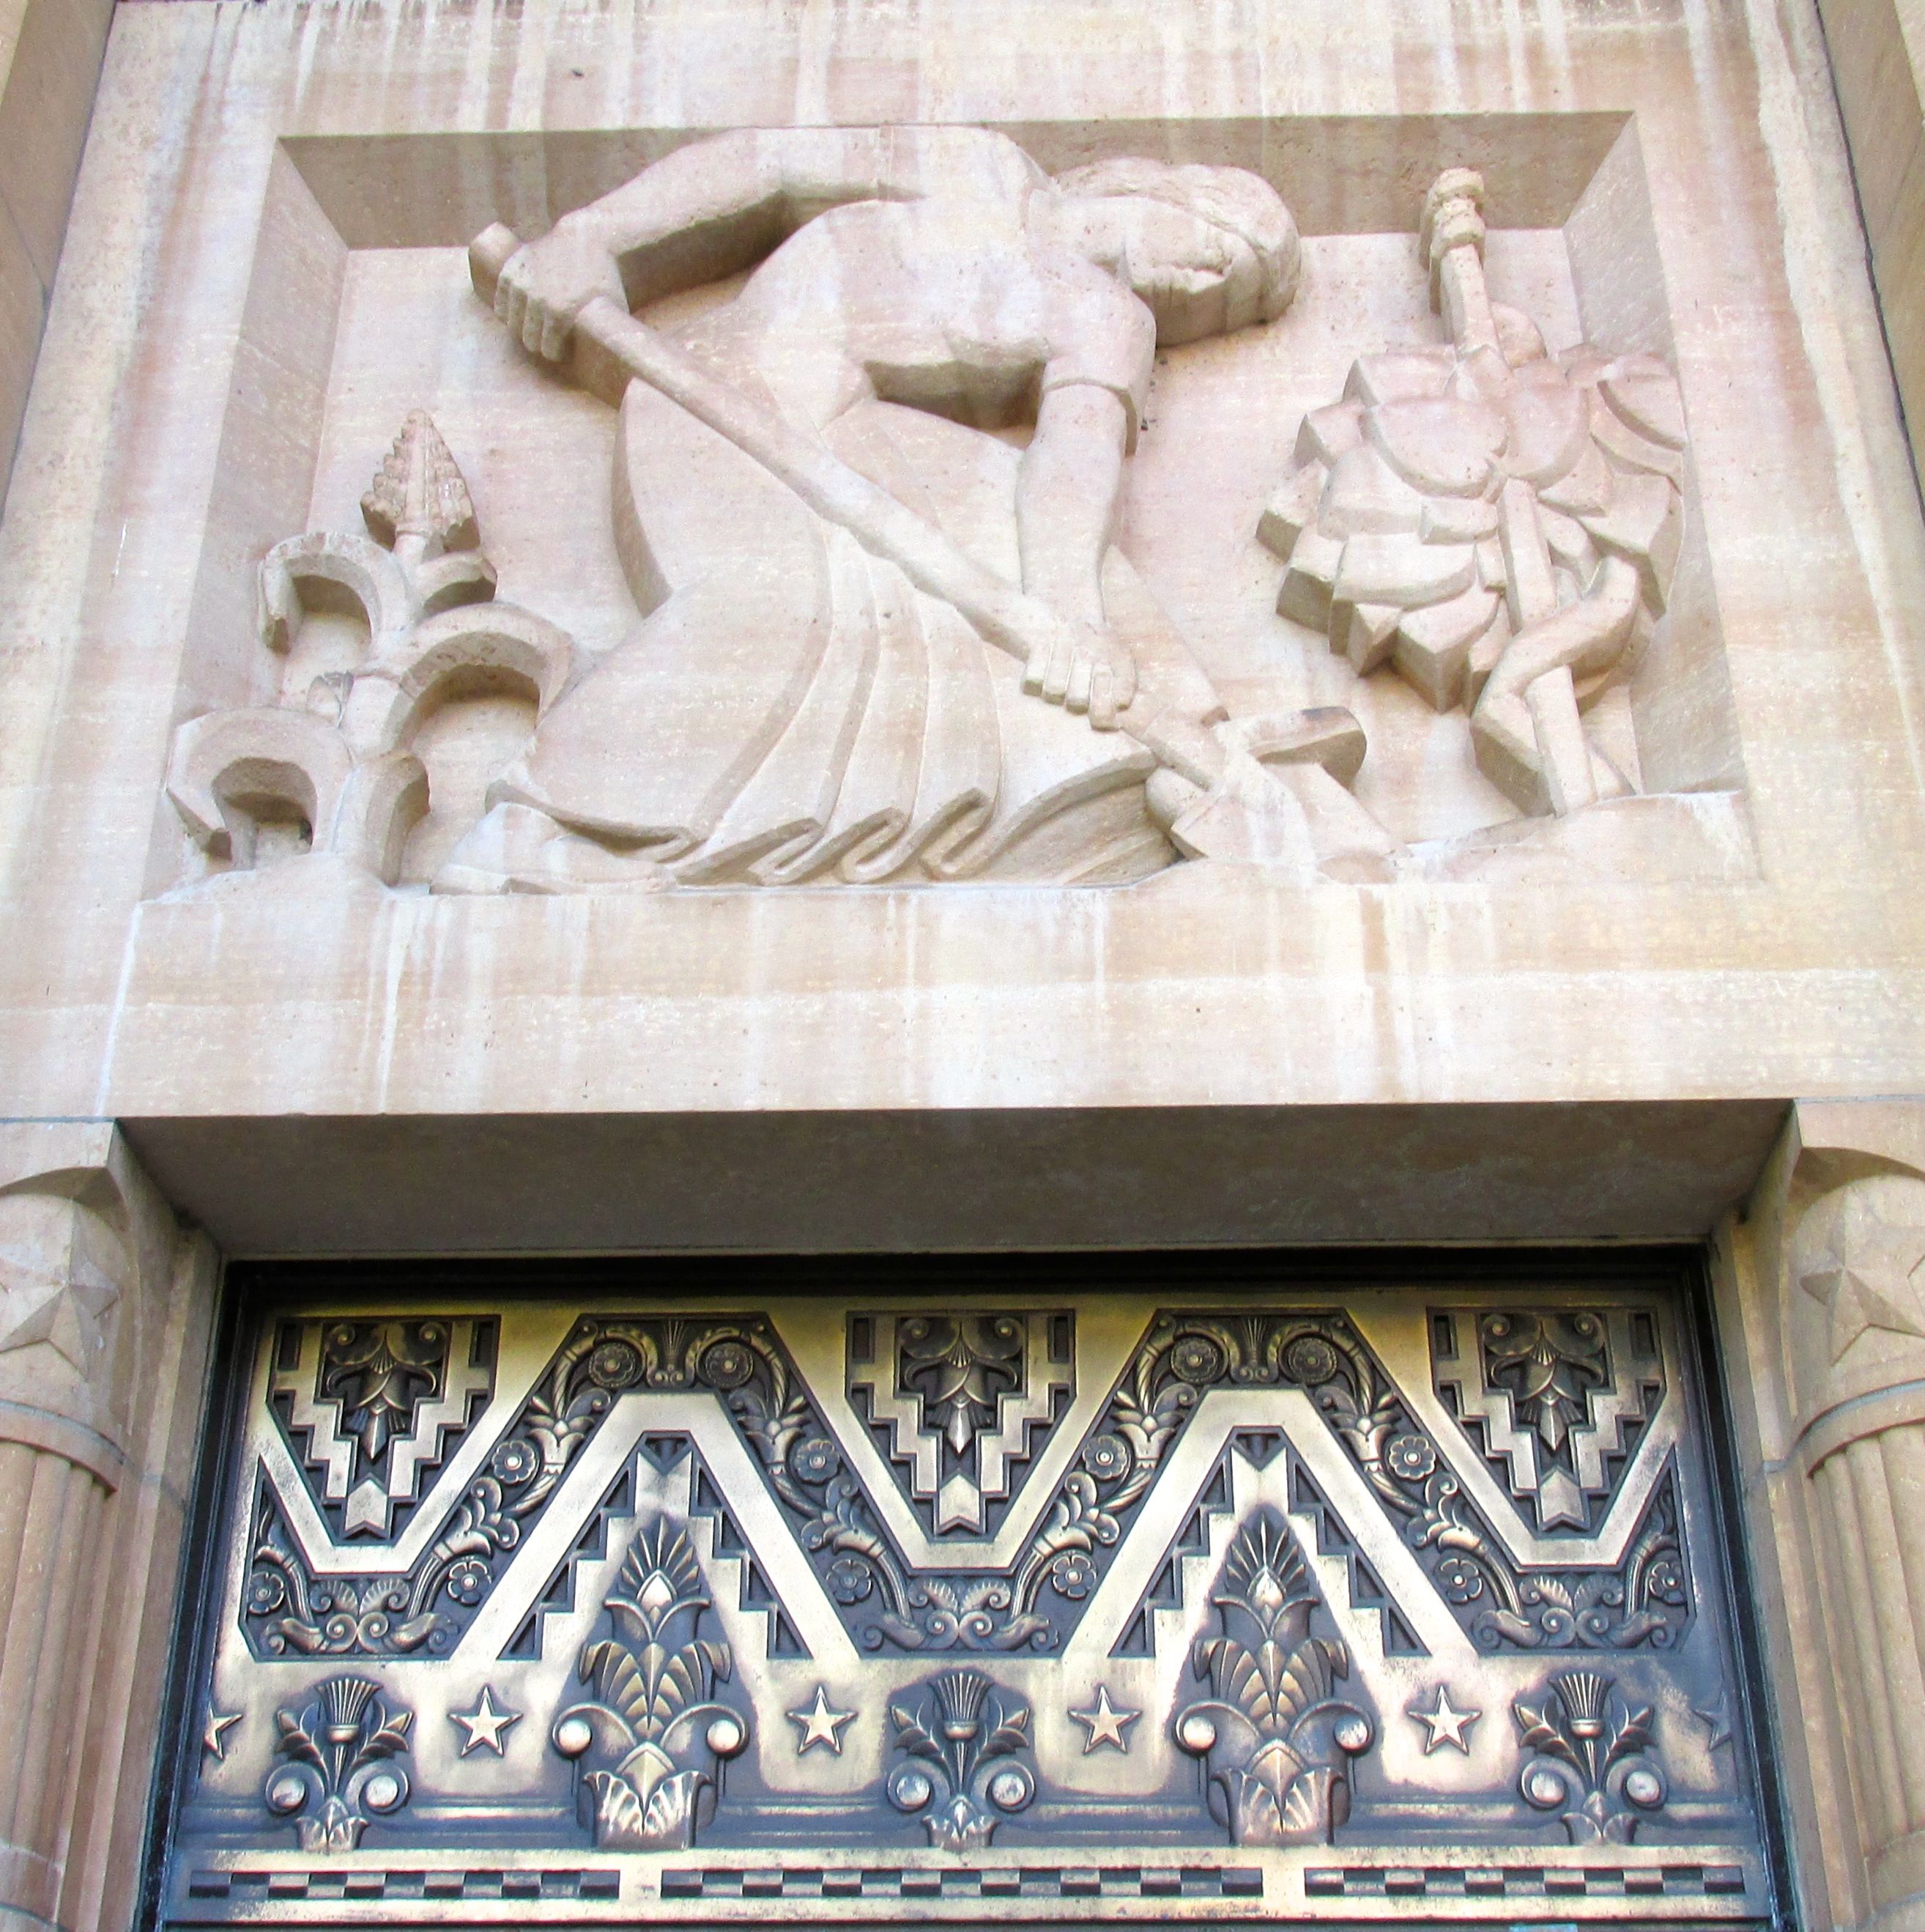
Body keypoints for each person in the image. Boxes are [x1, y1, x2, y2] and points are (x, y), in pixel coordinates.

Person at [440, 127, 1299, 892]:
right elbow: (771, 166)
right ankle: (541, 824)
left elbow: (1073, 463)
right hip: (715, 404)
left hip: (844, 448)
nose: (1205, 280)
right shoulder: (979, 167)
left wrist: (1073, 621)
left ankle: (1154, 771)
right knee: (815, 605)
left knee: (1009, 589)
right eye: (1217, 243)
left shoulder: (1108, 318)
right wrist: (594, 238)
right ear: (1155, 190)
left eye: (1230, 288)